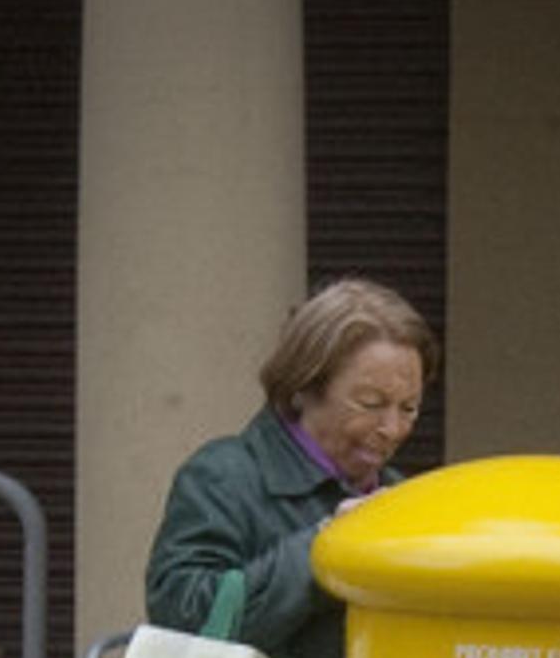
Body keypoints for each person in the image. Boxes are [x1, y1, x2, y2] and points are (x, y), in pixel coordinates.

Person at [145, 278, 439, 658]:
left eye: (409, 408)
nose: (392, 429)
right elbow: (184, 624)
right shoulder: (223, 477)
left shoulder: (405, 496)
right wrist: (322, 551)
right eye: (370, 403)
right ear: (303, 387)